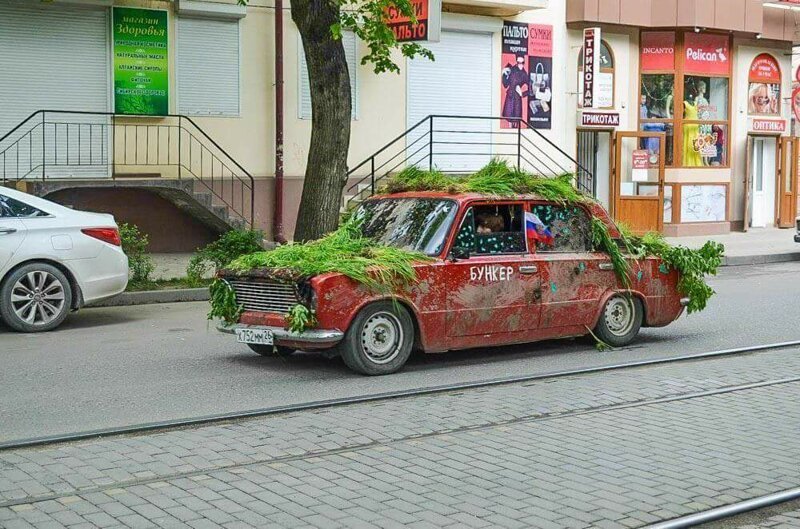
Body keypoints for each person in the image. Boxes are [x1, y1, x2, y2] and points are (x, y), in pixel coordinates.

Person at [502, 52, 529, 128]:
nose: (520, 64)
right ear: (516, 62)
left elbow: (531, 89)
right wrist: (504, 75)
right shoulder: (510, 69)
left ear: (524, 62)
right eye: (518, 62)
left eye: (522, 63)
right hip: (510, 98)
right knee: (509, 121)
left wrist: (522, 93)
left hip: (517, 99)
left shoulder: (524, 74)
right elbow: (505, 85)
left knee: (516, 121)